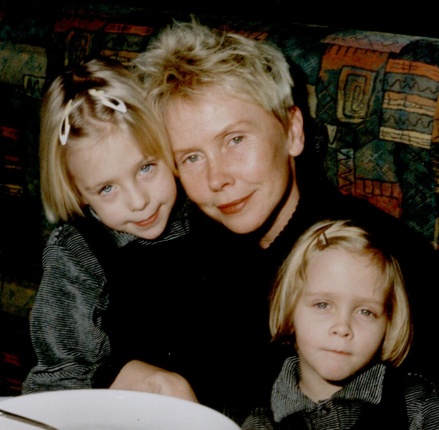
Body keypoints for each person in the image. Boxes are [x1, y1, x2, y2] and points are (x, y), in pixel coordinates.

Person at [101, 18, 439, 424]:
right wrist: (119, 371)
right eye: (191, 157)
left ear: (293, 131)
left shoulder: (389, 261)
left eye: (235, 140)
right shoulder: (167, 252)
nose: (217, 178)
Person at [21, 58, 196, 402]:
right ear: (76, 190)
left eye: (146, 168)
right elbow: (57, 380)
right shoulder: (77, 253)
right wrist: (127, 379)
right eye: (107, 188)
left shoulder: (203, 211)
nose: (139, 201)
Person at [241, 219, 439, 429]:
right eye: (323, 305)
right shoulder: (260, 424)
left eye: (365, 312)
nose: (342, 327)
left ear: (388, 325)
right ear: (290, 310)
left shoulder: (419, 406)